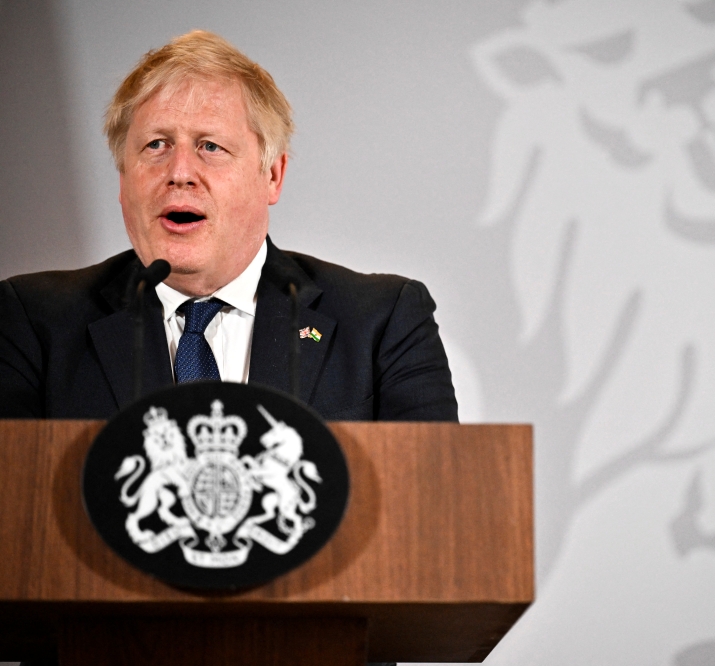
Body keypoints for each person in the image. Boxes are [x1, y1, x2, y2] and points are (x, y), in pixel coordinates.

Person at [0, 30, 458, 422]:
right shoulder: (34, 323)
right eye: (156, 145)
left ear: (272, 175)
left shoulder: (382, 322)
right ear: (123, 179)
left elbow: (431, 504)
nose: (180, 171)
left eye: (210, 146)